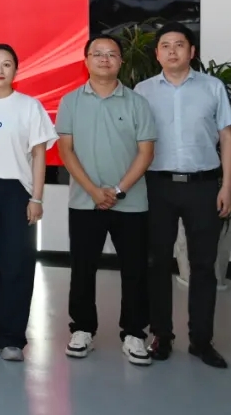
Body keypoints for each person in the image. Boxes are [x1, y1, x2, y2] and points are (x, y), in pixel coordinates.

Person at [134, 22, 231, 368]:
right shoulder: (143, 91)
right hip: (157, 186)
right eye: (165, 45)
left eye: (179, 44)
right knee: (157, 263)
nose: (172, 51)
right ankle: (161, 336)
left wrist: (227, 185)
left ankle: (201, 341)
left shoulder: (213, 87)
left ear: (192, 52)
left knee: (203, 265)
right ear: (157, 53)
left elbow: (227, 137)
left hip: (203, 186)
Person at [56, 34, 156, 366]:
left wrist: (118, 190)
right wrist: (94, 191)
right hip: (84, 202)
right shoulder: (70, 101)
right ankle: (82, 329)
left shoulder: (137, 103)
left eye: (111, 54)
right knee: (82, 269)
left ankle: (135, 333)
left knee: (135, 270)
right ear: (85, 60)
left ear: (120, 61)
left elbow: (146, 152)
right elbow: (66, 151)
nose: (104, 59)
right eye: (97, 53)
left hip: (132, 203)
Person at [0, 44, 57, 362]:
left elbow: (40, 155)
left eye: (7, 64)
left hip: (17, 194)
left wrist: (36, 197)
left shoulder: (29, 107)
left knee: (16, 263)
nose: (0, 69)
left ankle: (12, 337)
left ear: (16, 70)